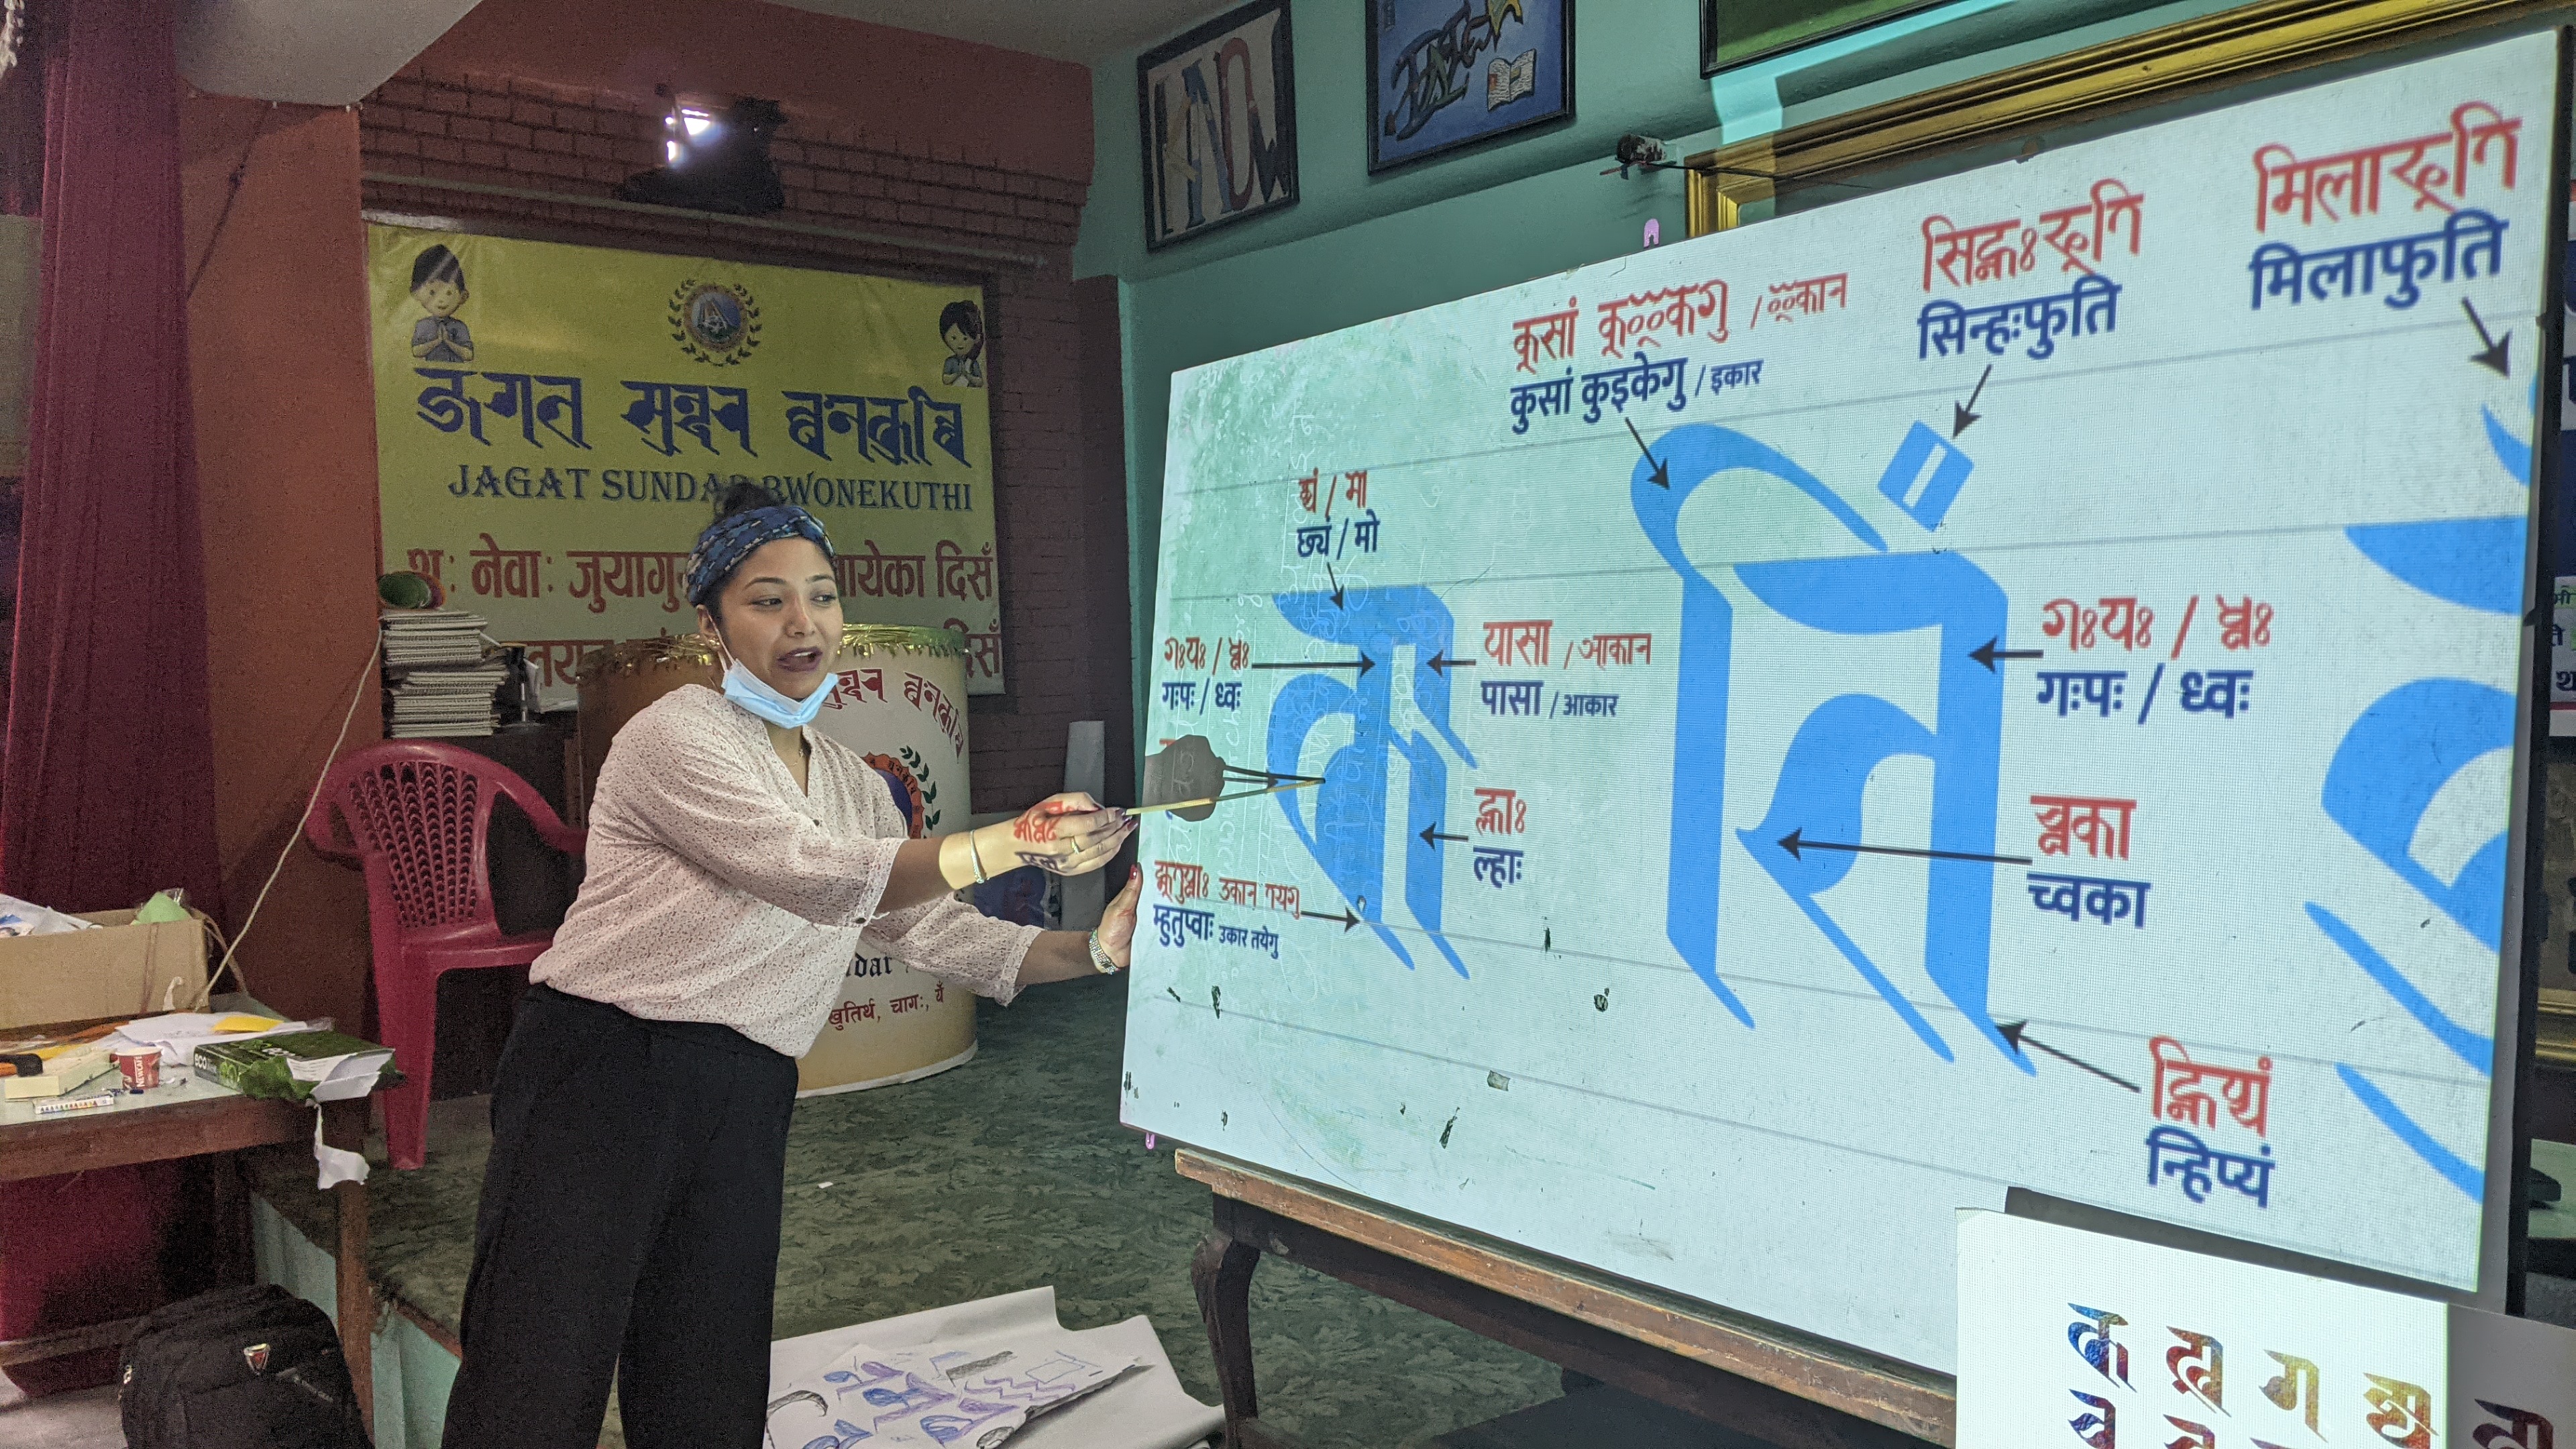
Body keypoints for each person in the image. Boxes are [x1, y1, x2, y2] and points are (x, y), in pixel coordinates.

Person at [439, 484, 1141, 1449]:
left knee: (706, 1388)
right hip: (601, 1075)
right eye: (767, 599)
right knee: (535, 1381)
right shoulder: (674, 737)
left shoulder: (855, 786)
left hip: (747, 1089)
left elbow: (935, 932)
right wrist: (1010, 843)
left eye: (822, 594)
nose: (803, 622)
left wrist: (1097, 950)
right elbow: (809, 875)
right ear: (712, 624)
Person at [407, 245, 475, 364]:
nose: (441, 300)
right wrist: (437, 342)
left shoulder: (460, 327)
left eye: (448, 293)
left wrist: (449, 343)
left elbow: (469, 355)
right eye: (432, 293)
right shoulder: (423, 325)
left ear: (463, 297)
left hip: (458, 377)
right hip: (429, 375)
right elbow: (416, 351)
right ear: (416, 293)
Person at [938, 299, 985, 388]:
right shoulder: (950, 361)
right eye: (954, 338)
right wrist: (958, 374)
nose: (960, 344)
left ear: (976, 338)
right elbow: (945, 379)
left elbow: (980, 382)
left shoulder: (973, 363)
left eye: (965, 338)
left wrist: (967, 375)